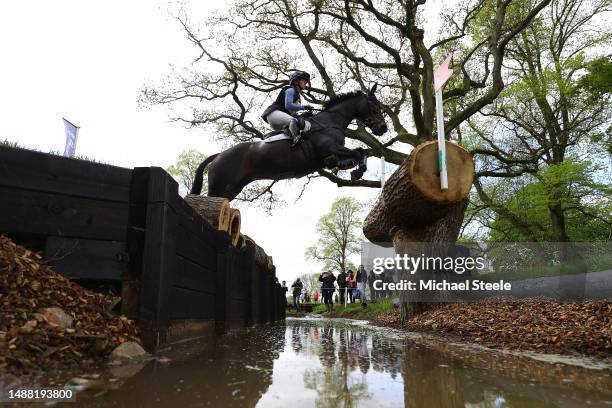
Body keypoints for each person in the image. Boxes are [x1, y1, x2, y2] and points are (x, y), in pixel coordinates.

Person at [261, 70, 314, 147]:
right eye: (303, 81)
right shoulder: (290, 89)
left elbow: (293, 113)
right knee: (293, 121)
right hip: (273, 114)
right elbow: (288, 105)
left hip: (278, 121)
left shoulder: (297, 96)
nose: (305, 83)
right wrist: (304, 107)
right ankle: (297, 140)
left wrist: (305, 114)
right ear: (296, 82)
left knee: (294, 129)